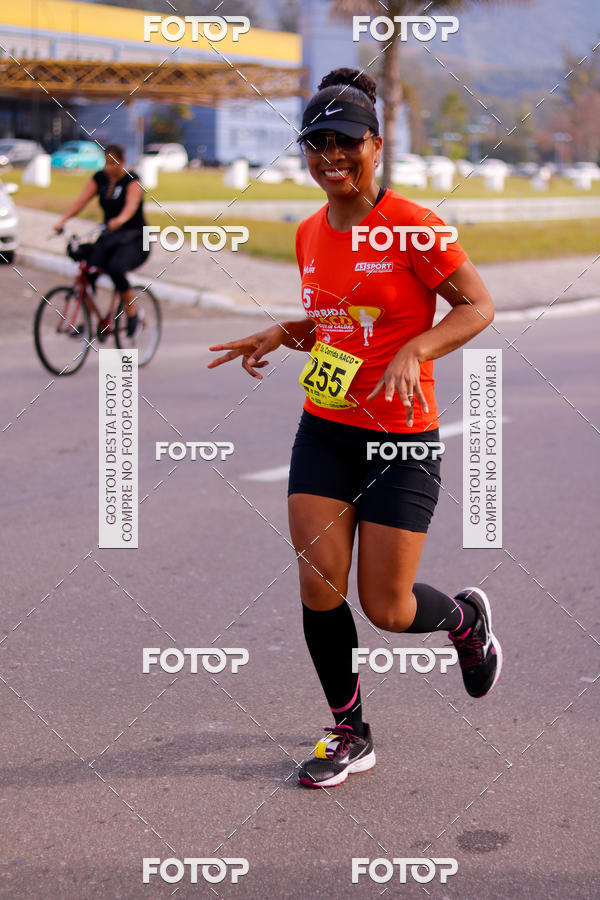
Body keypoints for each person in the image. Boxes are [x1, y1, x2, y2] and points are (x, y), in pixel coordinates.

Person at [207, 68, 503, 789]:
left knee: (387, 608)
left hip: (403, 441)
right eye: (315, 143)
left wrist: (416, 349)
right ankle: (349, 731)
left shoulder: (414, 223)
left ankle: (464, 621)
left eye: (344, 141)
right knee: (318, 586)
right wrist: (284, 331)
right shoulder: (309, 231)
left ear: (375, 143)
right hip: (327, 430)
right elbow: (343, 321)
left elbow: (477, 305)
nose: (329, 155)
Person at [54, 143, 149, 337]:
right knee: (87, 273)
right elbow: (81, 201)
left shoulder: (133, 180)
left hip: (135, 238)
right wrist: (62, 221)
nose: (108, 167)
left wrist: (121, 220)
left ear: (123, 162)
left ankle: (132, 313)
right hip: (110, 237)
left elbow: (132, 205)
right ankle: (90, 321)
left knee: (116, 268)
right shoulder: (100, 178)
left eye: (113, 163)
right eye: (106, 163)